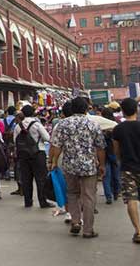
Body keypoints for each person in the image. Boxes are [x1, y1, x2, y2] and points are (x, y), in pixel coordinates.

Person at [51, 97, 106, 238]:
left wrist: (54, 161)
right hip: (89, 166)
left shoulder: (63, 124)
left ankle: (76, 222)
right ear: (86, 109)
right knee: (88, 197)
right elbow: (100, 147)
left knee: (72, 193)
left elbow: (56, 145)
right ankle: (88, 230)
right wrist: (102, 165)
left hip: (70, 165)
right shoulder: (92, 124)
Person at [13, 105, 53, 208]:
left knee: (26, 178)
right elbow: (47, 137)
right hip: (38, 153)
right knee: (41, 179)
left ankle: (28, 201)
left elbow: (15, 141)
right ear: (33, 113)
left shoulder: (18, 126)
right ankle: (43, 201)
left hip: (23, 155)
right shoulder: (37, 125)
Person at [112, 98, 140, 244]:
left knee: (131, 199)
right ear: (136, 110)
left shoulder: (118, 129)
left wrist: (121, 160)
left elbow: (116, 151)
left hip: (128, 168)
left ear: (122, 111)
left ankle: (138, 231)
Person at [99, 108, 121, 204]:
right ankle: (116, 192)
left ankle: (108, 196)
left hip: (104, 153)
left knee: (106, 176)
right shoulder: (116, 124)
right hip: (115, 153)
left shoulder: (100, 125)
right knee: (116, 175)